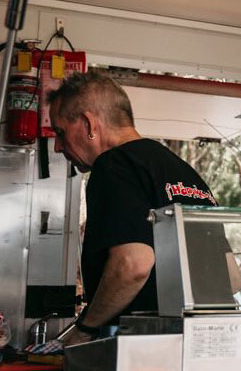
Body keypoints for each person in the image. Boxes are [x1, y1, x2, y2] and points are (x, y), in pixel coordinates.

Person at [49, 72, 225, 345]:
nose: (58, 146)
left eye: (60, 132)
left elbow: (134, 264)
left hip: (149, 350)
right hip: (208, 345)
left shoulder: (112, 166)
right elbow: (231, 275)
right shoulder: (184, 171)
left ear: (88, 123)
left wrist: (85, 328)